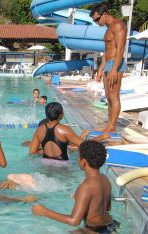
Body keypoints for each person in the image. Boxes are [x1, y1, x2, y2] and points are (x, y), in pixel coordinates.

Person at [32, 140, 119, 233]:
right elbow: (107, 208)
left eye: (79, 157)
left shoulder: (86, 187)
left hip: (93, 230)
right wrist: (83, 198)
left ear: (83, 161)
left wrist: (44, 212)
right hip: (111, 224)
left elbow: (74, 221)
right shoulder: (105, 179)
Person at [90, 3, 127, 133]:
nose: (96, 22)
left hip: (116, 64)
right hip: (109, 63)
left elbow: (120, 48)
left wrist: (114, 69)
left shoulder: (118, 25)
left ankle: (112, 127)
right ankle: (109, 125)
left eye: (96, 19)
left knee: (114, 96)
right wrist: (100, 69)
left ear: (104, 14)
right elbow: (107, 51)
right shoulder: (108, 27)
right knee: (108, 95)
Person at [29, 102, 109, 161]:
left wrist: (49, 152)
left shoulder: (38, 130)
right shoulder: (65, 130)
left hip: (45, 163)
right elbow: (85, 146)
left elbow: (32, 152)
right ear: (61, 115)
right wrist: (100, 137)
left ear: (46, 115)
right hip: (62, 166)